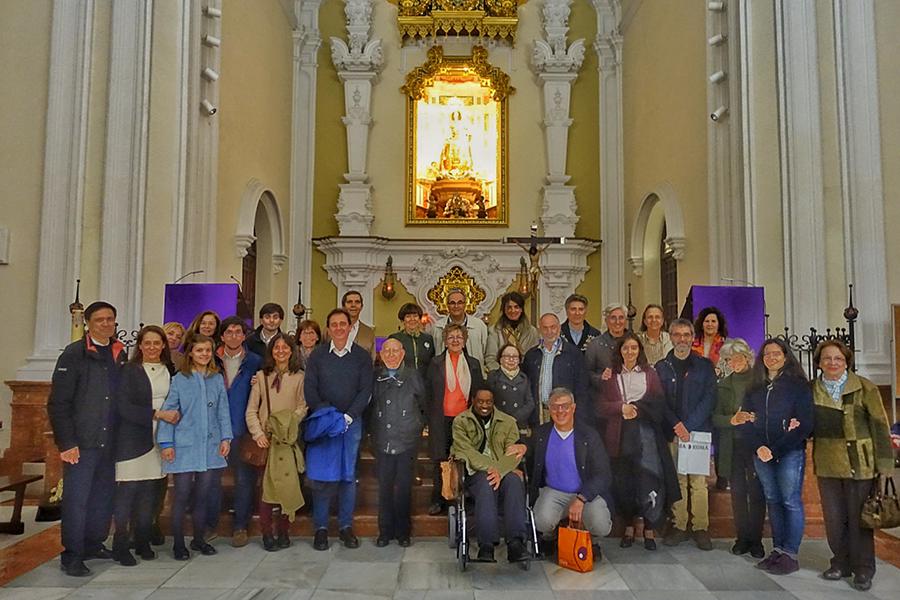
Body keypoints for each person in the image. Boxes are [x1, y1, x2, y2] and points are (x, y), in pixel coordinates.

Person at [48, 301, 126, 577]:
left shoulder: (119, 352)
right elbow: (58, 403)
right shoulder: (74, 354)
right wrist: (67, 443)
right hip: (82, 441)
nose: (106, 324)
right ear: (88, 323)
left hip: (110, 440)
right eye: (100, 319)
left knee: (103, 498)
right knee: (77, 500)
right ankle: (72, 554)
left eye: (110, 319)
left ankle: (94, 543)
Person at [812, 340, 893, 591]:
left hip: (860, 463)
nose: (832, 363)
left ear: (846, 361)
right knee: (834, 519)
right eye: (827, 358)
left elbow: (880, 426)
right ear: (819, 363)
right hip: (827, 464)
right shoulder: (811, 389)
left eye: (838, 358)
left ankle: (864, 569)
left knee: (860, 518)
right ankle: (840, 563)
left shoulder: (865, 387)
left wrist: (885, 464)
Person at [739, 338, 813, 575]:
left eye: (776, 353)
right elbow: (745, 420)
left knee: (790, 500)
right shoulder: (754, 387)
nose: (771, 358)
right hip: (761, 452)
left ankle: (790, 553)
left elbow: (805, 424)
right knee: (772, 499)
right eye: (767, 354)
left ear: (785, 356)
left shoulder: (798, 386)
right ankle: (778, 549)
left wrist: (776, 449)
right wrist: (759, 447)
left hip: (789, 451)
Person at [598, 334, 679, 551]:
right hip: (620, 435)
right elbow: (600, 406)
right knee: (625, 482)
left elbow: (659, 403)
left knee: (648, 478)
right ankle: (629, 527)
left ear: (639, 350)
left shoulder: (650, 373)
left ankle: (649, 528)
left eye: (634, 348)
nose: (630, 352)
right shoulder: (610, 375)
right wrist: (620, 408)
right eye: (626, 348)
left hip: (647, 435)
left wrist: (638, 409)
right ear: (619, 351)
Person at [157, 334, 233, 561]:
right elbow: (170, 410)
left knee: (203, 494)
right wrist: (166, 442)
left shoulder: (216, 379)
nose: (204, 354)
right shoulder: (180, 379)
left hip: (210, 445)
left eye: (208, 350)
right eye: (199, 350)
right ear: (190, 352)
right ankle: (179, 543)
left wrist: (226, 438)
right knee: (182, 495)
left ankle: (199, 539)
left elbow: (223, 410)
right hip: (185, 445)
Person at [304, 308, 374, 550]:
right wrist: (330, 417)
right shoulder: (318, 356)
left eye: (343, 324)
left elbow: (365, 390)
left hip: (351, 424)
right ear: (328, 329)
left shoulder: (361, 356)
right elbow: (310, 389)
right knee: (322, 478)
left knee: (347, 476)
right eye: (333, 324)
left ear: (350, 327)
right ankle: (321, 529)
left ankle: (346, 526)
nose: (338, 328)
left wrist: (348, 416)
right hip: (324, 424)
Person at [112, 326, 180, 566]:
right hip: (133, 437)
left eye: (157, 343)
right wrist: (156, 414)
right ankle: (120, 543)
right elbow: (122, 406)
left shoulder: (169, 370)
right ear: (140, 346)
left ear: (163, 346)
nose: (152, 347)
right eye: (147, 343)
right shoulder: (129, 370)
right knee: (128, 491)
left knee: (150, 492)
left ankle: (142, 540)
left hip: (160, 436)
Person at [656, 318, 717, 550]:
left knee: (698, 482)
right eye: (677, 334)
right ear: (670, 337)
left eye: (686, 335)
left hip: (697, 432)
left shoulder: (705, 366)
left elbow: (709, 398)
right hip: (673, 432)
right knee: (678, 480)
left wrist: (688, 426)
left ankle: (700, 527)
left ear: (692, 338)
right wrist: (676, 425)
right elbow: (659, 400)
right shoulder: (662, 366)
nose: (682, 339)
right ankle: (679, 525)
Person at [450, 384, 530, 563]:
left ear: (494, 402)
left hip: (504, 471)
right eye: (480, 401)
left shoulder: (508, 422)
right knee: (486, 482)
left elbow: (513, 452)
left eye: (488, 401)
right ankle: (486, 544)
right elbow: (466, 452)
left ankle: (516, 543)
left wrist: (500, 471)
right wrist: (494, 469)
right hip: (474, 472)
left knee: (515, 481)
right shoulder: (461, 421)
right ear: (473, 401)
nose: (484, 405)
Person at [531, 388, 613, 560]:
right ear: (549, 409)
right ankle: (550, 537)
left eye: (565, 406)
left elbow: (603, 474)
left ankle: (592, 541)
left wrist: (582, 498)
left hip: (585, 492)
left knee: (601, 524)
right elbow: (528, 453)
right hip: (553, 491)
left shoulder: (589, 435)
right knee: (542, 521)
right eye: (555, 407)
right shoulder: (541, 433)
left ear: (573, 408)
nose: (560, 411)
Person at [245, 333, 308, 551]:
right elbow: (251, 410)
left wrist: (288, 424)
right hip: (268, 440)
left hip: (288, 441)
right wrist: (258, 434)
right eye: (276, 347)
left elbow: (303, 406)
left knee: (288, 487)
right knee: (267, 489)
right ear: (271, 351)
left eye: (285, 347)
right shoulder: (261, 377)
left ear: (292, 351)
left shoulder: (300, 377)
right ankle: (266, 533)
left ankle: (283, 531)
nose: (281, 351)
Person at [205, 316, 263, 547]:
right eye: (229, 332)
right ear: (221, 336)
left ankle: (240, 526)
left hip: (242, 427)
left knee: (244, 479)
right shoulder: (211, 359)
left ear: (244, 335)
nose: (233, 336)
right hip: (214, 429)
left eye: (238, 332)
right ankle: (210, 524)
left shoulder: (254, 361)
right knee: (212, 479)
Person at [371, 338, 426, 547]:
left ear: (403, 354)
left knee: (404, 488)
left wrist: (415, 426)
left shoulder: (413, 376)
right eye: (387, 351)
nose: (391, 355)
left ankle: (403, 532)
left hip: (407, 441)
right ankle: (385, 531)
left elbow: (423, 404)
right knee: (384, 488)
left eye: (395, 351)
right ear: (381, 354)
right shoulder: (375, 377)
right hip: (382, 440)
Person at [714, 339, 766, 559]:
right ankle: (742, 538)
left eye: (737, 358)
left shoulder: (760, 382)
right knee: (737, 492)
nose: (733, 363)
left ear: (747, 357)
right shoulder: (723, 385)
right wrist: (732, 420)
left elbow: (771, 411)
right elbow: (715, 418)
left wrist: (756, 418)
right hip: (733, 444)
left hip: (755, 444)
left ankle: (756, 539)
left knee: (756, 491)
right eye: (729, 359)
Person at [426, 323, 485, 515]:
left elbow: (478, 393)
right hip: (440, 419)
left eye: (459, 337)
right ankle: (439, 499)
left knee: (465, 459)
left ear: (465, 340)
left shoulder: (473, 364)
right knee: (441, 460)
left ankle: (465, 498)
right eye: (451, 337)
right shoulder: (435, 363)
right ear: (445, 341)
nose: (455, 340)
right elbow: (428, 393)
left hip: (465, 420)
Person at [522, 313, 589, 426]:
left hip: (564, 414)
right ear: (539, 330)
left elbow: (582, 388)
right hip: (538, 414)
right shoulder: (531, 355)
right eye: (545, 328)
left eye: (553, 327)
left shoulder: (573, 354)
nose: (549, 331)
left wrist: (578, 416)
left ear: (559, 328)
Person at [432, 288, 489, 374]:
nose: (456, 306)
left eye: (460, 302)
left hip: (474, 374)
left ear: (465, 304)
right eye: (452, 303)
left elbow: (486, 352)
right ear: (447, 305)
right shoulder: (437, 327)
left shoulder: (479, 326)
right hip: (444, 375)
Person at [486, 343, 537, 436]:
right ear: (500, 359)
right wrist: (502, 418)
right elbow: (488, 400)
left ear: (519, 360)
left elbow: (530, 403)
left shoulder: (524, 378)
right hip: (498, 424)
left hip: (519, 425)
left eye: (515, 357)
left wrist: (515, 418)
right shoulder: (493, 377)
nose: (511, 359)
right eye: (507, 356)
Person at [484, 291, 539, 371]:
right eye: (509, 307)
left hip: (525, 374)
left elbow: (534, 358)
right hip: (500, 374)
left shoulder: (532, 332)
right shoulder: (495, 330)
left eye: (516, 307)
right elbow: (490, 358)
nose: (513, 310)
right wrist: (503, 374)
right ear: (504, 310)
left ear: (521, 309)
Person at [585, 303, 630, 390]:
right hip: (605, 394)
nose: (617, 322)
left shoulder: (635, 342)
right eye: (613, 318)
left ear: (626, 320)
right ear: (606, 321)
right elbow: (587, 373)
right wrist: (601, 378)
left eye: (621, 318)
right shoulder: (595, 344)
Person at [388, 302, 435, 381]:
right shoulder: (395, 339)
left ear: (419, 319)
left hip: (424, 383)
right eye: (408, 316)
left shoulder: (428, 339)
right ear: (402, 320)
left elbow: (432, 362)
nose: (412, 319)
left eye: (415, 316)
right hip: (402, 383)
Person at [337, 290, 376, 358]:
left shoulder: (369, 333)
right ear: (343, 306)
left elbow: (372, 358)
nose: (353, 305)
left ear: (361, 307)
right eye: (349, 302)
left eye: (357, 302)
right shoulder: (331, 330)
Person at [692, 306, 729, 376]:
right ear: (702, 325)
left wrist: (719, 373)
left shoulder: (727, 345)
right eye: (707, 321)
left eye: (713, 321)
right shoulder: (691, 345)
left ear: (719, 325)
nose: (710, 324)